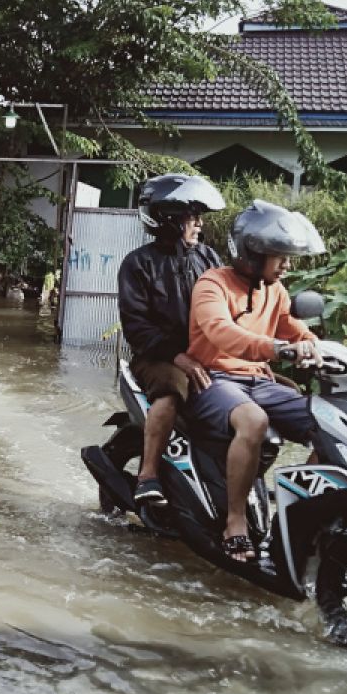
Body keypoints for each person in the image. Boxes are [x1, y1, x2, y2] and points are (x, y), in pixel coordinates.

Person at [185, 200, 326, 562]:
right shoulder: (212, 283)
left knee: (330, 426)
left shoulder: (275, 291)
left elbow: (294, 329)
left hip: (258, 381)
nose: (286, 265)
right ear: (252, 252)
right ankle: (235, 523)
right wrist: (276, 349)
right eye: (280, 256)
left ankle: (297, 521)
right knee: (254, 420)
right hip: (213, 379)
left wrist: (314, 345)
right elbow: (221, 331)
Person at [117, 173, 226, 512]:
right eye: (192, 217)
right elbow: (137, 327)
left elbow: (228, 308)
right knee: (170, 388)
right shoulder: (138, 263)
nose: (199, 224)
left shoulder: (209, 259)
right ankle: (147, 476)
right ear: (168, 219)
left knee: (280, 390)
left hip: (204, 353)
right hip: (157, 357)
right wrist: (178, 357)